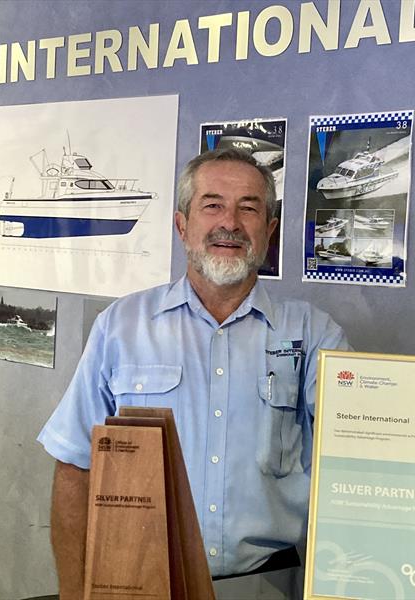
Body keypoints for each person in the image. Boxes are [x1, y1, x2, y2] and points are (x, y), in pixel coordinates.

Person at [37, 148, 352, 599]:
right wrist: (73, 593)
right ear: (182, 226)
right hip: (139, 580)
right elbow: (74, 465)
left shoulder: (314, 334)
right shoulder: (121, 326)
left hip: (266, 584)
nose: (231, 222)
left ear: (270, 231)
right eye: (212, 205)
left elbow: (359, 458)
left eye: (249, 208)